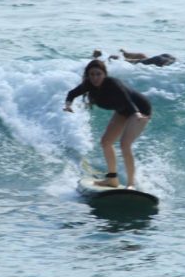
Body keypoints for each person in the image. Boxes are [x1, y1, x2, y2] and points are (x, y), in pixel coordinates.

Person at [64, 59, 152, 189]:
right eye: (92, 74)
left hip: (140, 110)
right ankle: (112, 179)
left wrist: (137, 113)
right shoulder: (89, 84)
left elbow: (126, 98)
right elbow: (71, 94)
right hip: (123, 111)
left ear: (104, 74)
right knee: (106, 142)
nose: (95, 77)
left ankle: (131, 184)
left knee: (124, 144)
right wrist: (68, 105)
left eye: (98, 74)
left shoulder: (112, 83)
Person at [111, 49, 176, 67]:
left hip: (160, 59)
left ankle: (120, 58)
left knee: (140, 59)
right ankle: (125, 55)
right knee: (142, 57)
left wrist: (120, 59)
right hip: (170, 58)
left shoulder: (143, 60)